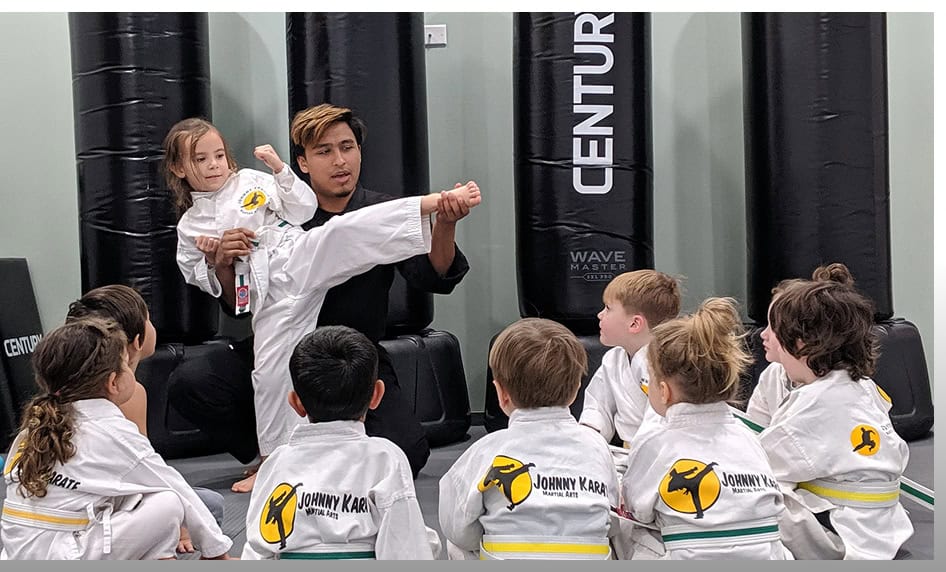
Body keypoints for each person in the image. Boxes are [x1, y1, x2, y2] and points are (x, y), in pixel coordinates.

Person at [162, 116, 481, 492]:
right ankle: (275, 459)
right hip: (276, 302)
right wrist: (222, 262)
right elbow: (237, 303)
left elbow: (434, 275)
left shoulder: (355, 208)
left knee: (405, 451)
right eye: (324, 151)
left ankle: (321, 463)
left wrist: (443, 219)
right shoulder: (208, 222)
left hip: (351, 352)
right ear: (303, 161)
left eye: (347, 148)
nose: (339, 161)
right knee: (240, 379)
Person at [0, 318, 232, 560]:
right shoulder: (110, 430)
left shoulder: (35, 427)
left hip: (18, 553)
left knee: (131, 495)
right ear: (113, 382)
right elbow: (174, 485)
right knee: (168, 502)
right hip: (63, 554)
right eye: (125, 364)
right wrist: (216, 552)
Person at [757, 264, 913, 559]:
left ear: (801, 343)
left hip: (842, 537)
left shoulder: (814, 405)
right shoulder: (860, 388)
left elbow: (758, 465)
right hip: (880, 527)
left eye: (776, 331)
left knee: (749, 491)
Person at [242, 326, 436, 560]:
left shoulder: (276, 463)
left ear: (295, 402)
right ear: (377, 395)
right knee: (427, 540)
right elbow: (405, 548)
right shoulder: (386, 458)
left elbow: (258, 546)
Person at [620, 297, 788, 560]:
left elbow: (637, 507)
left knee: (629, 527)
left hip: (692, 556)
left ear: (663, 391)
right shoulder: (750, 437)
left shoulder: (656, 442)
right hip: (767, 555)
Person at [439, 318, 619, 560]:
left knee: (456, 543)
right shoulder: (597, 446)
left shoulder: (485, 450)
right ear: (576, 389)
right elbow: (612, 517)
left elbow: (457, 529)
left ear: (501, 393)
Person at [64, 284, 225, 553]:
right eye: (148, 318)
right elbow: (147, 478)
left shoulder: (66, 387)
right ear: (138, 340)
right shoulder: (128, 395)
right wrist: (179, 525)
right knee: (209, 505)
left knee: (197, 503)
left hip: (64, 519)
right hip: (96, 516)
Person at [579, 270, 681, 452]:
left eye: (608, 308)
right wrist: (589, 438)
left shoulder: (665, 363)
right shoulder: (613, 360)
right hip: (625, 453)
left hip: (662, 451)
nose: (600, 315)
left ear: (634, 324)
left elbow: (658, 421)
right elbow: (597, 407)